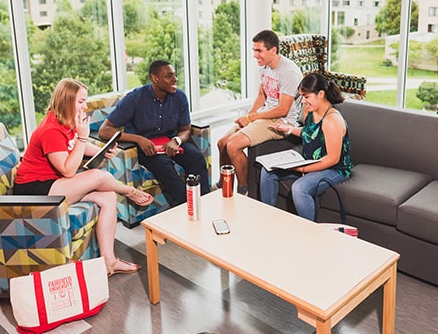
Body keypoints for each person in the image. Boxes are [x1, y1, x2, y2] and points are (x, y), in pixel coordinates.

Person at [13, 78, 151, 276]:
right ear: (67, 100)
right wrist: (83, 136)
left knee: (108, 197)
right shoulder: (50, 130)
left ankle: (109, 262)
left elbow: (74, 146)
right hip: (34, 191)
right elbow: (68, 170)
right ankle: (129, 191)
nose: (85, 106)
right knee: (96, 175)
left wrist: (100, 151)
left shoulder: (66, 121)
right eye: (81, 102)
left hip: (54, 185)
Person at [99, 60, 210, 206]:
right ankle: (189, 206)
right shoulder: (134, 98)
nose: (175, 79)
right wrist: (138, 139)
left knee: (196, 157)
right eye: (169, 76)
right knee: (164, 166)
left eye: (175, 75)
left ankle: (207, 202)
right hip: (146, 147)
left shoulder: (180, 97)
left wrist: (176, 140)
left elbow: (185, 129)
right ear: (155, 78)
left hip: (170, 141)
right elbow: (104, 131)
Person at [216, 29, 302, 195]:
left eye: (259, 50)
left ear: (273, 50)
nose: (255, 55)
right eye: (254, 50)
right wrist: (248, 118)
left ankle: (244, 191)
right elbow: (262, 96)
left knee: (233, 145)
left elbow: (283, 109)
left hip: (281, 122)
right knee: (222, 143)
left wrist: (251, 117)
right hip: (264, 115)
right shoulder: (265, 66)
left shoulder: (288, 72)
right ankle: (223, 184)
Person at [260, 73, 353, 221]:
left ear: (321, 94)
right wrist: (289, 129)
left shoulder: (332, 120)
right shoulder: (312, 111)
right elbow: (311, 132)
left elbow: (333, 159)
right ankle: (268, 219)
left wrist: (302, 169)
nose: (303, 101)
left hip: (335, 170)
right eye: (302, 96)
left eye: (306, 96)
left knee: (300, 188)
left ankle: (310, 233)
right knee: (268, 171)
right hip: (310, 162)